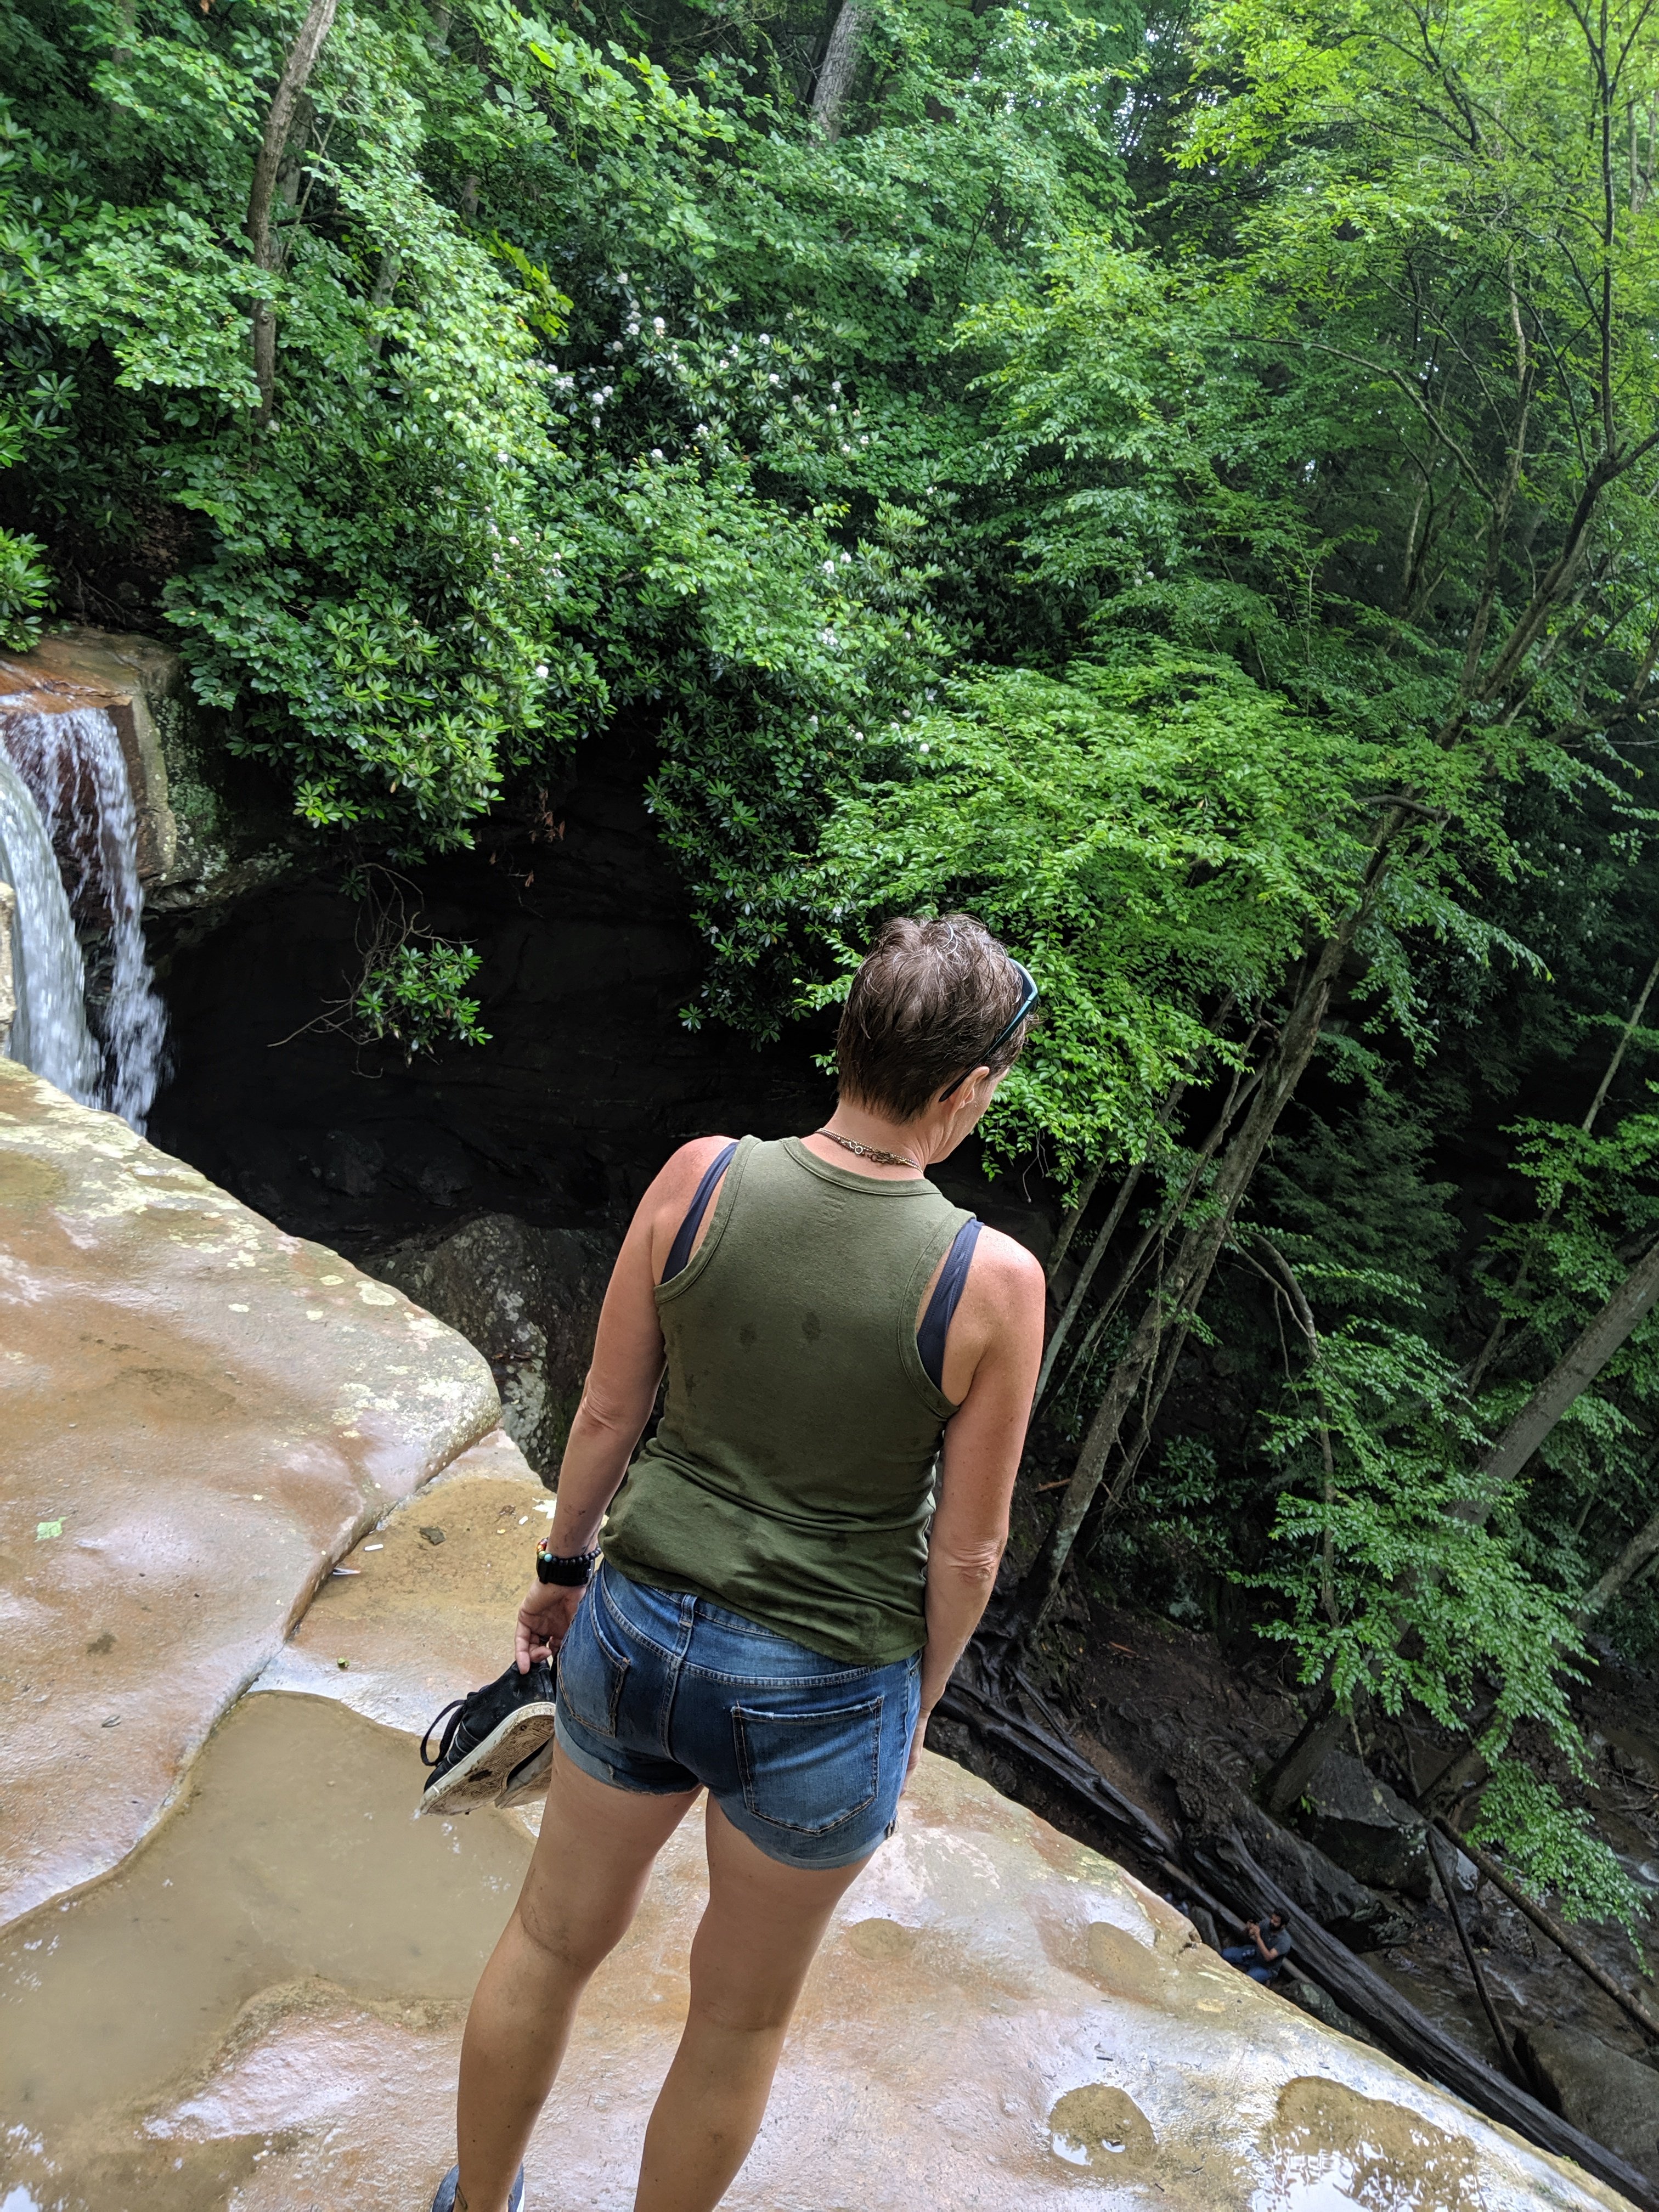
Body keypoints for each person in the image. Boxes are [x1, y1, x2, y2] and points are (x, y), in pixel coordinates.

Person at [428, 914, 1047, 2212]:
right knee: (736, 2020)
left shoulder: (701, 1179)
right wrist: (914, 1711)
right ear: (963, 1089)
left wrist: (561, 1571)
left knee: (550, 1939)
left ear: (850, 1039)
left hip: (635, 1634)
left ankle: (475, 2204)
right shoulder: (991, 1283)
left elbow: (609, 1410)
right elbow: (970, 1550)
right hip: (826, 1691)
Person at [1222, 1910, 1291, 1984]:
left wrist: (1258, 1937)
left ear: (1283, 1926)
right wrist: (1249, 1928)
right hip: (1254, 1954)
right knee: (1225, 1954)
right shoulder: (1266, 1923)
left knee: (1247, 1980)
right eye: (1272, 1919)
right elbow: (1248, 1934)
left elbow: (1268, 1957)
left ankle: (1267, 1980)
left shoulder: (1285, 1941)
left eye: (1275, 1922)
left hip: (1266, 1968)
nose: (1272, 1922)